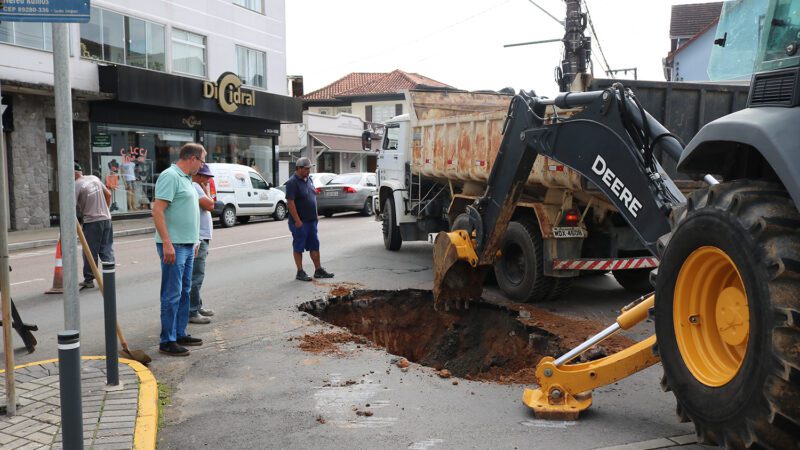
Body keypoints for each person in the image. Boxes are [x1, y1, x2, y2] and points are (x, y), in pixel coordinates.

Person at [152, 143, 205, 356]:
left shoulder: (186, 179)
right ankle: (167, 341)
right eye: (202, 160)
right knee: (172, 294)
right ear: (192, 158)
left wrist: (194, 240)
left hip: (186, 245)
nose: (202, 165)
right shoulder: (170, 176)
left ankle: (180, 332)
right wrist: (167, 243)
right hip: (173, 246)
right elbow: (158, 210)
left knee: (184, 291)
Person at [285, 157, 334, 281]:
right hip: (300, 222)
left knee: (314, 245)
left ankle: (318, 270)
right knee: (299, 246)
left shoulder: (309, 180)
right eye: (306, 169)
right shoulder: (292, 182)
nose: (308, 171)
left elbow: (312, 198)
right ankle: (300, 271)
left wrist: (316, 216)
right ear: (299, 168)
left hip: (311, 221)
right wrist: (297, 220)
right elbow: (290, 203)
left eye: (309, 169)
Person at [74, 162, 114, 290]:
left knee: (90, 251)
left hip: (92, 221)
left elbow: (70, 207)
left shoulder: (76, 185)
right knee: (106, 249)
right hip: (106, 218)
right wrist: (104, 211)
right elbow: (108, 194)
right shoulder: (94, 178)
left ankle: (89, 279)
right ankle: (110, 276)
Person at [188, 163, 216, 324]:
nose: (208, 180)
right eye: (206, 177)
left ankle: (196, 306)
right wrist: (206, 189)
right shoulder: (195, 186)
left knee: (197, 275)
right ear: (198, 176)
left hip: (201, 236)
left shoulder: (195, 186)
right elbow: (210, 205)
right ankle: (192, 311)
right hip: (199, 237)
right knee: (196, 276)